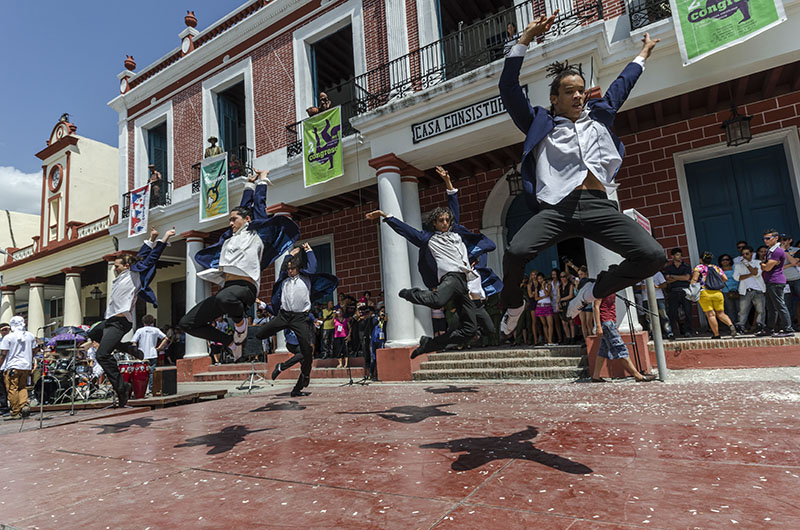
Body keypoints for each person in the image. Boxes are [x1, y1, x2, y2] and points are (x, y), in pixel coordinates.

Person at [497, 13, 664, 337]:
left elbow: (622, 84)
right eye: (570, 92)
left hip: (599, 205)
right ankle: (514, 305)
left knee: (652, 256)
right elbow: (508, 87)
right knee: (516, 251)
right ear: (554, 99)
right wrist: (525, 40)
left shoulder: (599, 116)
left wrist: (643, 54)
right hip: (558, 208)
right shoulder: (538, 123)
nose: (578, 96)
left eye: (581, 91)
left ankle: (593, 290)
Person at [365, 166, 495, 358]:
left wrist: (448, 181)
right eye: (440, 220)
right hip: (449, 279)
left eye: (446, 220)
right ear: (434, 223)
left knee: (469, 329)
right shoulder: (428, 239)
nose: (444, 223)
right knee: (437, 301)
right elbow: (406, 231)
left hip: (463, 283)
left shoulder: (456, 232)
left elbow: (453, 202)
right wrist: (386, 216)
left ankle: (429, 344)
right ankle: (411, 294)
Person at [180, 170, 299, 358]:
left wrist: (261, 183)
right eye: (229, 219)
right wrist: (248, 186)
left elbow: (258, 208)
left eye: (234, 219)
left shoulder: (256, 234)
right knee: (187, 323)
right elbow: (242, 208)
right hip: (228, 290)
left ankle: (240, 323)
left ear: (247, 220)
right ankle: (232, 343)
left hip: (246, 288)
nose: (230, 222)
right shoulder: (228, 239)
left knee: (224, 298)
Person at [88, 227, 174, 407]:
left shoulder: (135, 275)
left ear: (126, 266)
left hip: (120, 322)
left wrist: (164, 238)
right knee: (93, 333)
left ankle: (122, 388)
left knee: (102, 355)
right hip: (109, 321)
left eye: (117, 265)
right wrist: (150, 238)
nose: (115, 268)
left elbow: (150, 259)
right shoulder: (123, 275)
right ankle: (128, 348)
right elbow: (142, 255)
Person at [258, 243, 338, 397]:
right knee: (304, 354)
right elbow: (282, 269)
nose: (289, 271)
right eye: (288, 269)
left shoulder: (305, 277)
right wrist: (289, 255)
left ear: (299, 268)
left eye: (292, 268)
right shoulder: (284, 280)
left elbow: (312, 267)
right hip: (288, 330)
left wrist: (308, 250)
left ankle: (298, 386)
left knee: (307, 358)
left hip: (300, 322)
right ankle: (284, 368)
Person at [590, 295, 655, 383]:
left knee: (603, 350)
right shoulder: (601, 289)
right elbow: (596, 306)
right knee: (620, 348)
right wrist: (598, 326)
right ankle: (637, 375)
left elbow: (611, 308)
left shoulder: (612, 289)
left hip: (610, 322)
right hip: (606, 322)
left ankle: (596, 376)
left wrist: (614, 323)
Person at [691, 251, 737, 339]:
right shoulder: (717, 268)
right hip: (718, 293)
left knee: (711, 314)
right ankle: (731, 325)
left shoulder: (699, 267)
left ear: (701, 259)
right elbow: (725, 279)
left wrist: (692, 290)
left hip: (705, 292)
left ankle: (716, 334)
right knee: (721, 313)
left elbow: (694, 279)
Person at [0, 316, 38, 420]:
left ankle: (15, 411)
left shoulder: (8, 337)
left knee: (12, 388)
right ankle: (24, 405)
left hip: (13, 366)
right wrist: (30, 358)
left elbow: (3, 354)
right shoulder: (30, 336)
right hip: (25, 366)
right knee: (22, 387)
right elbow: (35, 349)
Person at [758, 229, 794, 337]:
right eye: (764, 238)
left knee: (780, 305)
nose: (766, 240)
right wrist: (765, 265)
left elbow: (767, 267)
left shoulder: (777, 251)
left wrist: (764, 266)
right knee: (771, 307)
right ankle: (769, 329)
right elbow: (766, 264)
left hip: (776, 281)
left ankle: (788, 329)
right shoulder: (770, 250)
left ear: (776, 238)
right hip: (770, 282)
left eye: (768, 238)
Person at [132, 314, 169, 394]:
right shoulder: (156, 330)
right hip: (153, 353)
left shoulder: (140, 330)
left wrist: (135, 352)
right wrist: (159, 348)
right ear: (152, 322)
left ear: (143, 322)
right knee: (152, 372)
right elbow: (165, 338)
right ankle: (151, 389)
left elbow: (133, 342)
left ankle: (142, 389)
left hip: (142, 354)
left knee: (142, 372)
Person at [732, 245, 766, 333]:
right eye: (743, 254)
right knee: (743, 311)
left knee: (760, 310)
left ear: (751, 254)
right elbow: (736, 277)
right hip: (745, 290)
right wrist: (751, 274)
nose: (745, 256)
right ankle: (740, 327)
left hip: (758, 290)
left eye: (747, 254)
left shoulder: (758, 262)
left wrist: (747, 265)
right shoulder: (738, 266)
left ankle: (760, 326)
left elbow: (757, 273)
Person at [664, 248, 695, 337]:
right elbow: (667, 280)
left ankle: (688, 330)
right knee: (672, 313)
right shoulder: (669, 267)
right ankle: (673, 331)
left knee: (687, 311)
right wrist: (680, 277)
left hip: (685, 290)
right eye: (677, 255)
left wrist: (673, 277)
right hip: (673, 291)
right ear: (672, 256)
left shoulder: (686, 266)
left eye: (680, 255)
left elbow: (686, 278)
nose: (680, 257)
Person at [639, 269, 674, 340]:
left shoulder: (657, 273)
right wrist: (642, 287)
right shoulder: (641, 274)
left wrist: (657, 286)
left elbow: (664, 284)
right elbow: (636, 286)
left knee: (663, 316)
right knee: (649, 318)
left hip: (658, 297)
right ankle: (652, 334)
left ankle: (668, 333)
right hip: (646, 298)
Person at [532, 272, 556, 345]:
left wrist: (543, 287)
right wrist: (543, 297)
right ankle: (547, 339)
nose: (540, 280)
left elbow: (547, 294)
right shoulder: (537, 288)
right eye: (538, 279)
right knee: (544, 324)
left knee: (550, 324)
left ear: (543, 278)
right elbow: (536, 298)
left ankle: (550, 340)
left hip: (547, 305)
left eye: (541, 278)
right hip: (540, 306)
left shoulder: (548, 285)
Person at [718, 254, 739, 328]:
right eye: (723, 260)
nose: (725, 261)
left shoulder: (735, 268)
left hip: (737, 290)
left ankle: (740, 325)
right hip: (726, 291)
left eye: (727, 259)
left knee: (739, 309)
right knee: (730, 309)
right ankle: (732, 325)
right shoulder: (719, 270)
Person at [556, 271, 576, 343]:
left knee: (571, 322)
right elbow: (558, 296)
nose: (562, 278)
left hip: (569, 304)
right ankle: (568, 337)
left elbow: (571, 295)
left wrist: (561, 299)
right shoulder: (559, 286)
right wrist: (557, 304)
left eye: (564, 276)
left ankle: (573, 337)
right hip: (562, 305)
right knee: (564, 322)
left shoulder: (570, 285)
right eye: (561, 277)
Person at [369, 306, 387, 380]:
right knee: (373, 358)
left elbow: (385, 329)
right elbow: (374, 323)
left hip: (381, 341)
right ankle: (371, 373)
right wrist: (379, 317)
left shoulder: (385, 320)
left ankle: (379, 375)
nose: (382, 313)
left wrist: (385, 320)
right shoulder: (375, 318)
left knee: (380, 358)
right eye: (381, 311)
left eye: (384, 312)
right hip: (374, 340)